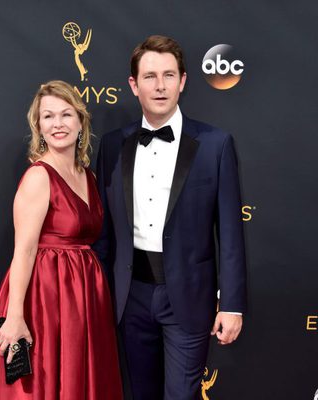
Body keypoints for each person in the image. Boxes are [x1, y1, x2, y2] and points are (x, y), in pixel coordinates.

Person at [93, 35, 247, 400]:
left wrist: (232, 304)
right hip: (130, 296)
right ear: (134, 85)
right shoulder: (114, 144)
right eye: (149, 76)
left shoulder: (215, 144)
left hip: (190, 296)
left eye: (168, 75)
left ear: (183, 81)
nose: (159, 86)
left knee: (181, 395)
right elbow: (102, 233)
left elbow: (230, 231)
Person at [0, 80, 123, 400]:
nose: (58, 124)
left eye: (66, 115)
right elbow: (25, 250)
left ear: (81, 122)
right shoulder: (39, 176)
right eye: (48, 116)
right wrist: (15, 316)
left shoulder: (90, 176)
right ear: (38, 126)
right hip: (44, 295)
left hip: (84, 294)